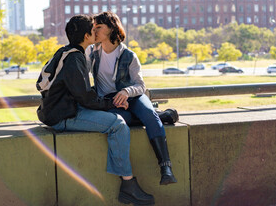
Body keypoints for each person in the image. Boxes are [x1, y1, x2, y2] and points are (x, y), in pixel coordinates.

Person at [36, 14, 154, 205]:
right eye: (93, 30)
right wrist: (112, 103)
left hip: (60, 111)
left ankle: (129, 184)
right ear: (86, 36)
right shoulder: (75, 59)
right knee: (117, 124)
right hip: (65, 116)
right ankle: (128, 184)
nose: (96, 33)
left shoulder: (66, 52)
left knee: (118, 119)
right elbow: (86, 98)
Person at [85, 11, 177, 185]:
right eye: (93, 27)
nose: (94, 31)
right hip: (111, 102)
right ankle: (163, 116)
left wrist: (126, 92)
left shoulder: (129, 55)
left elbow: (141, 86)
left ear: (111, 28)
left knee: (149, 114)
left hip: (133, 96)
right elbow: (82, 74)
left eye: (98, 27)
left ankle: (166, 168)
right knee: (121, 121)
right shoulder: (92, 52)